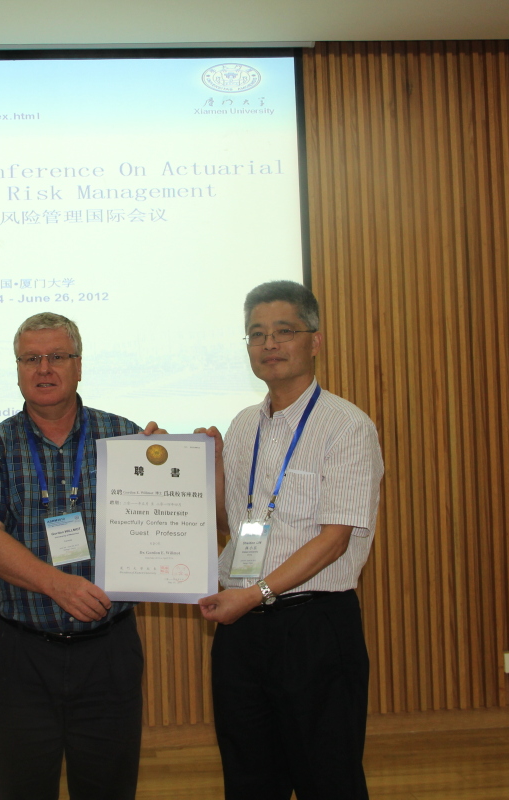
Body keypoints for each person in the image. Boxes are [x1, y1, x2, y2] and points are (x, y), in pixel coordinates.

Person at [0, 312, 162, 800]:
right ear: (17, 369)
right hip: (23, 654)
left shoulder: (124, 437)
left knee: (109, 787)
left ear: (79, 365)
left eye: (57, 356)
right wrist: (58, 585)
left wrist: (173, 463)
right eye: (31, 358)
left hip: (108, 650)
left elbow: (162, 518)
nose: (44, 368)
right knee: (21, 788)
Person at [197, 281, 384, 800]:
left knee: (328, 780)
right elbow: (233, 521)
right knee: (248, 780)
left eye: (284, 331)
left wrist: (254, 594)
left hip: (313, 628)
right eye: (257, 334)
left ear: (314, 341)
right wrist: (205, 469)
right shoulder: (243, 426)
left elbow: (335, 539)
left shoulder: (346, 426)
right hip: (241, 631)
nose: (270, 344)